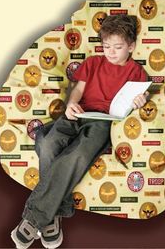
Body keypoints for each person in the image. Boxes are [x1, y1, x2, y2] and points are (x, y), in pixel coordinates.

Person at [11, 14, 149, 249]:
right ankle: (55, 213)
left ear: (131, 46)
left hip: (103, 121)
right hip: (78, 113)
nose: (111, 52)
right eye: (107, 46)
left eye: (118, 47)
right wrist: (71, 105)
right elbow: (78, 89)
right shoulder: (93, 63)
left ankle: (35, 218)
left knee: (78, 154)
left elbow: (141, 95)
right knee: (47, 143)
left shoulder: (136, 72)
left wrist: (141, 100)